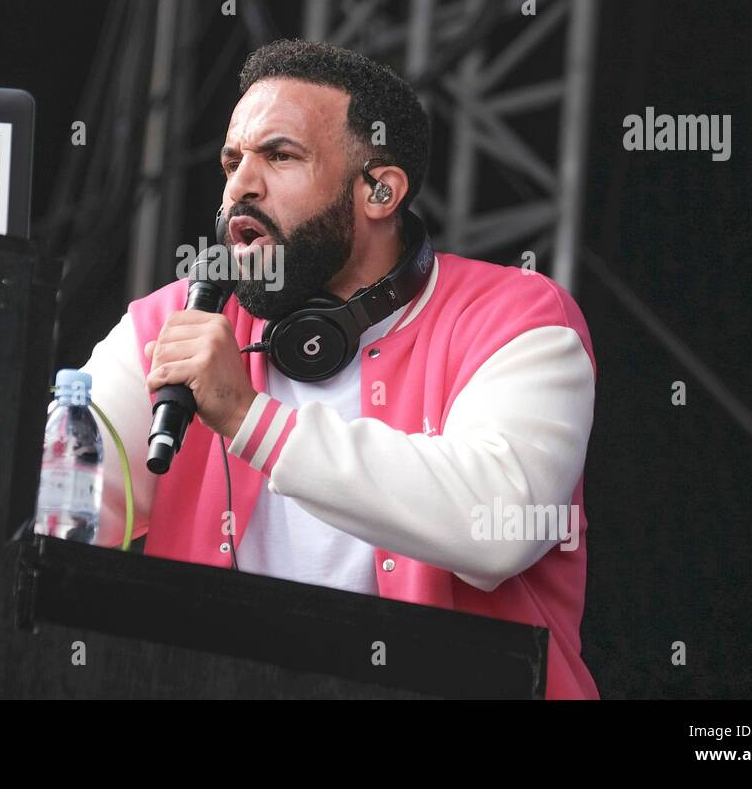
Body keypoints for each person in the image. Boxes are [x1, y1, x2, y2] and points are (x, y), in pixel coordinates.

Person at [76, 38, 599, 699]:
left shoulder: (514, 317)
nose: (241, 185)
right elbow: (49, 498)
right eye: (232, 162)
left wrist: (246, 416)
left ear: (380, 190)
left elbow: (496, 523)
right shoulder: (176, 324)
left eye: (280, 156)